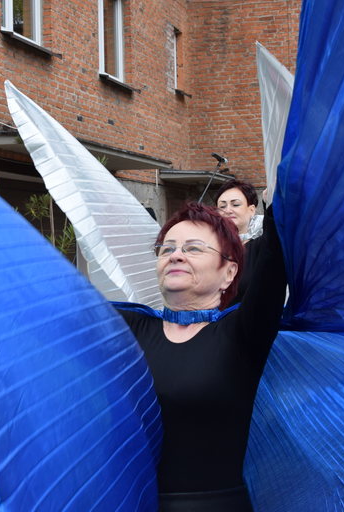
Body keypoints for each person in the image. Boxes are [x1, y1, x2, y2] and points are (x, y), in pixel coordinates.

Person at [116, 202, 286, 511]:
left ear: (229, 271)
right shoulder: (125, 326)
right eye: (166, 249)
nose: (175, 255)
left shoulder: (243, 333)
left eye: (194, 249)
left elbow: (275, 260)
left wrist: (284, 194)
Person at [215, 180, 265, 304]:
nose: (228, 210)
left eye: (235, 204)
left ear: (252, 210)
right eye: (222, 206)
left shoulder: (262, 246)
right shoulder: (209, 247)